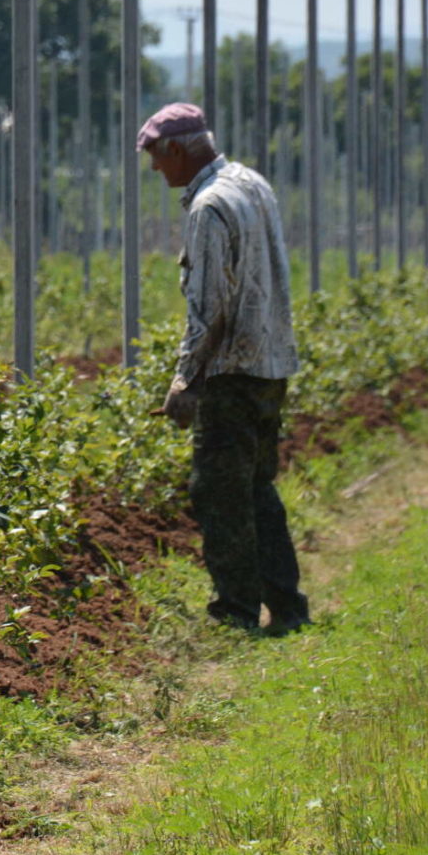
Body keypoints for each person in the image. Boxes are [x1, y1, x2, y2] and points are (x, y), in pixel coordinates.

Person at [138, 102, 311, 635]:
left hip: (231, 371)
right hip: (271, 364)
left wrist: (186, 379)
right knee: (257, 486)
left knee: (218, 491)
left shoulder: (209, 206)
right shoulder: (252, 183)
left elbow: (210, 307)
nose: (153, 170)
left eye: (154, 157)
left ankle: (236, 613)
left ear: (176, 149)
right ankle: (287, 607)